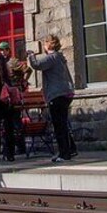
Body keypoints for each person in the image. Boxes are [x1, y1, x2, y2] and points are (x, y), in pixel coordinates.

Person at [28, 34, 77, 162]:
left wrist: (31, 55)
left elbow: (37, 65)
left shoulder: (52, 57)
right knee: (63, 124)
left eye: (45, 43)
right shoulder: (60, 57)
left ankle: (64, 154)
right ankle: (70, 149)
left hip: (57, 95)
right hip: (65, 93)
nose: (44, 45)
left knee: (59, 125)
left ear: (49, 44)